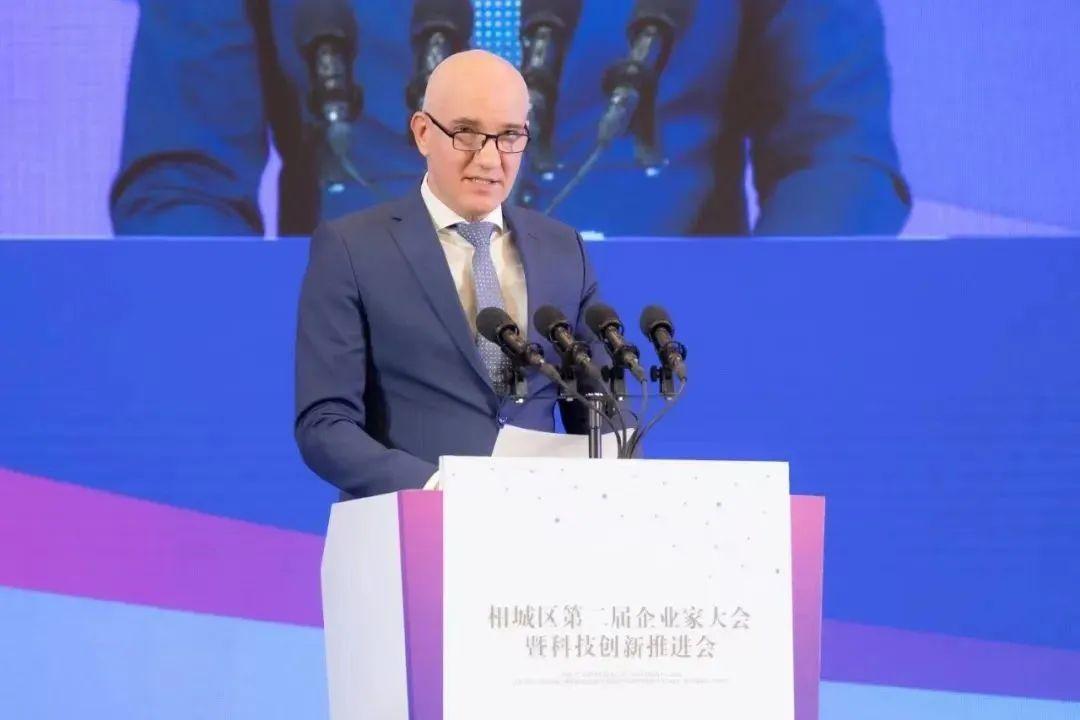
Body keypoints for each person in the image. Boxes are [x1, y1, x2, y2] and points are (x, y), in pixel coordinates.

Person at [111, 0, 910, 238]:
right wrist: (283, 367)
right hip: (355, 396)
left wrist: (750, 346)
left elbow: (838, 161)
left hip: (667, 390)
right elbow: (182, 185)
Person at [294, 50, 623, 497]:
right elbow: (325, 424)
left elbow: (600, 411)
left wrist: (618, 478)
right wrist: (435, 489)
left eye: (509, 136)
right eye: (466, 133)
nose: (489, 159)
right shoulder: (352, 248)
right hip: (412, 520)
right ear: (423, 132)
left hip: (538, 522)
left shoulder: (564, 250)